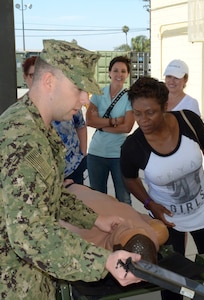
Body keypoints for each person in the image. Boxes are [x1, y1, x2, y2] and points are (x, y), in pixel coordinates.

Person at [0, 39, 142, 299]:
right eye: (78, 88)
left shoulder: (37, 126)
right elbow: (29, 234)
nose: (86, 99)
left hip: (31, 277)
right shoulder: (24, 138)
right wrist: (103, 262)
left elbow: (46, 193)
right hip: (13, 285)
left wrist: (94, 219)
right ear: (49, 82)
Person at [120, 76, 204, 300]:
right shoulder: (133, 146)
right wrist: (150, 204)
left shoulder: (188, 121)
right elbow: (129, 179)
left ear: (165, 107)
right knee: (171, 275)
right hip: (169, 219)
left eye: (150, 112)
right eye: (137, 113)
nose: (143, 120)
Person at [60, 183, 169, 263]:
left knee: (159, 232)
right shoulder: (143, 228)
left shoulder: (85, 242)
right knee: (159, 232)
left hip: (74, 194)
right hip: (73, 194)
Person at [86, 56, 134, 205]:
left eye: (123, 71)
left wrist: (100, 124)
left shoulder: (130, 97)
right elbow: (89, 120)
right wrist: (114, 122)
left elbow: (127, 127)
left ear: (127, 75)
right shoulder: (99, 93)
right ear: (109, 73)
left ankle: (128, 228)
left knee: (124, 198)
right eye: (115, 70)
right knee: (97, 199)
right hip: (96, 153)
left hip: (119, 154)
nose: (119, 74)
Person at [52, 109, 88, 184]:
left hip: (73, 166)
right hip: (49, 174)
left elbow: (81, 125)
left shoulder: (71, 104)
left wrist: (82, 154)